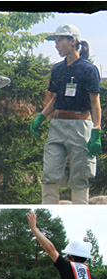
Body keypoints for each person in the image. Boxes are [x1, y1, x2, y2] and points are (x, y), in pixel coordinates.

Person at [30, 24, 101, 204]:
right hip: (57, 125)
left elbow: (95, 102)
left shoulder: (88, 69)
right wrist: (41, 116)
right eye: (55, 41)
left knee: (79, 175)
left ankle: (80, 211)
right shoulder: (57, 69)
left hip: (80, 125)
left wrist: (96, 130)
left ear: (73, 41)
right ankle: (48, 211)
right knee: (49, 173)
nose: (56, 45)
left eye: (59, 40)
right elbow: (55, 98)